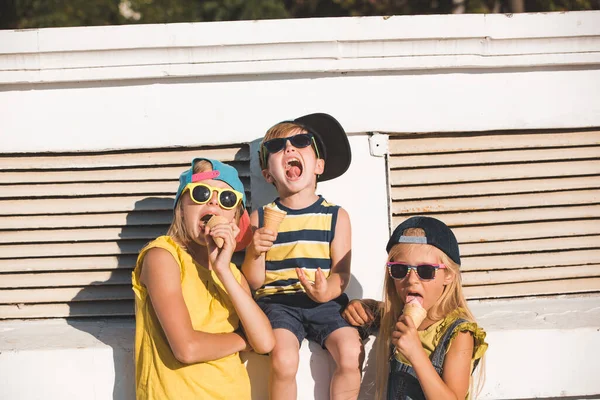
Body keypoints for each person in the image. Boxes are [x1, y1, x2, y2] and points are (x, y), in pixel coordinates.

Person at [242, 113, 363, 400]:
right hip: (278, 303)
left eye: (300, 141)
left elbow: (341, 273)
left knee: (350, 350)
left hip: (326, 303)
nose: (289, 149)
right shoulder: (259, 217)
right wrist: (255, 251)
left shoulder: (336, 216)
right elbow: (254, 280)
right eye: (276, 147)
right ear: (268, 175)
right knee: (283, 360)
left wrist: (327, 291)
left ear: (318, 165)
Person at [131, 157, 275, 400]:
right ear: (181, 206)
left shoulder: (229, 272)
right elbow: (187, 349)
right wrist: (242, 340)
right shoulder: (163, 257)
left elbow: (264, 342)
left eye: (227, 199)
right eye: (201, 192)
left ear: (235, 218)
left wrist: (223, 271)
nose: (213, 201)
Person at [342, 216, 488, 400]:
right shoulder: (397, 317)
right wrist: (362, 306)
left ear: (448, 275)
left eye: (426, 271)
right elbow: (382, 311)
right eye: (400, 270)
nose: (411, 280)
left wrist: (416, 353)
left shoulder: (459, 334)